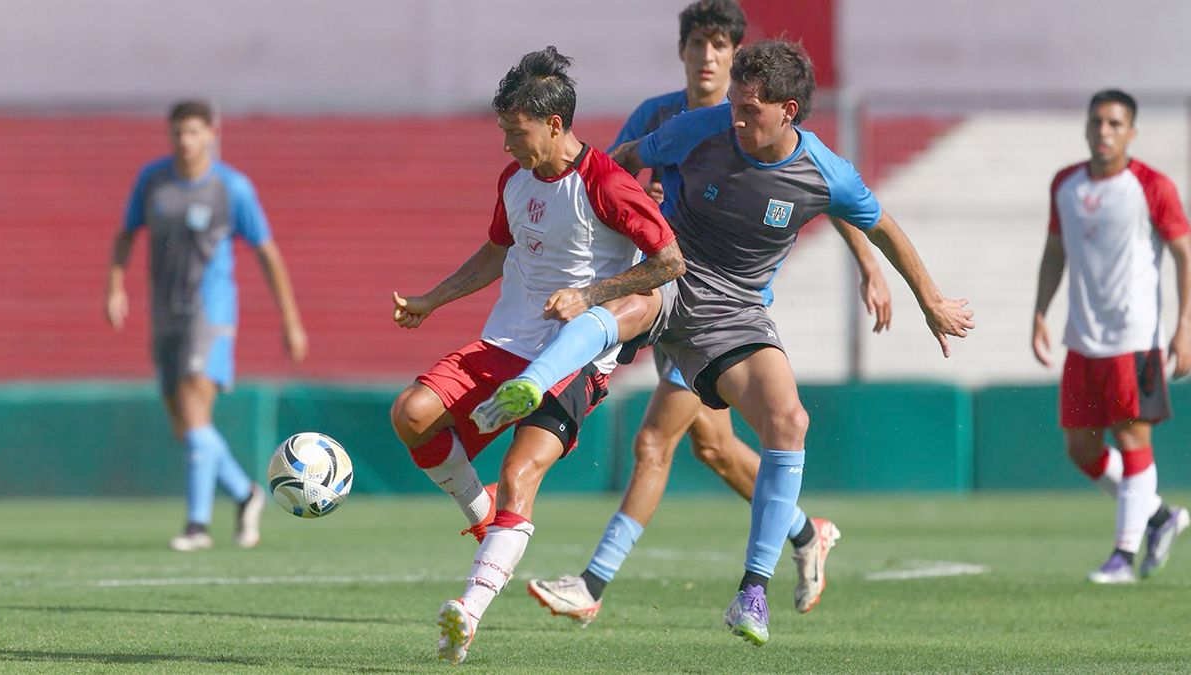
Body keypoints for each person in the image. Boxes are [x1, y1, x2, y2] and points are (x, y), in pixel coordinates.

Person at [478, 39, 973, 646]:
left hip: (733, 313)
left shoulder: (825, 173)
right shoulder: (700, 126)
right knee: (642, 356)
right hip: (669, 274)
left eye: (749, 110)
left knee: (785, 423)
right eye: (733, 104)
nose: (734, 118)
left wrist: (930, 300)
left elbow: (881, 225)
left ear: (789, 112)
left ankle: (752, 591)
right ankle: (529, 388)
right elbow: (623, 160)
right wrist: (636, 206)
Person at [525, 0, 892, 626]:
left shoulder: (755, 121)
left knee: (653, 442)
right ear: (683, 51)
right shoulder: (661, 115)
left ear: (737, 56)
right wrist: (639, 198)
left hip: (716, 312)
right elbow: (612, 173)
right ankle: (807, 533)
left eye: (720, 45)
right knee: (715, 449)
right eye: (698, 43)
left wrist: (870, 264)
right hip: (663, 284)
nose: (707, 56)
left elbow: (828, 191)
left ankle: (592, 584)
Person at [387, 47, 684, 665]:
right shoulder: (514, 180)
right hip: (506, 341)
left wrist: (590, 296)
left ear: (553, 124)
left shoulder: (607, 183)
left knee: (521, 473)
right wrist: (432, 300)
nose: (506, 145)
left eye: (514, 132)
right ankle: (482, 515)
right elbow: (498, 252)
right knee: (411, 415)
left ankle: (467, 612)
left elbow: (669, 262)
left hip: (577, 361)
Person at [104, 100, 308, 551]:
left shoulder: (231, 188)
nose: (185, 141)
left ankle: (197, 525)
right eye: (178, 133)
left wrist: (290, 321)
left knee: (196, 409)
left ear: (212, 134)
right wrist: (115, 287)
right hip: (165, 314)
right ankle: (245, 493)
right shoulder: (153, 180)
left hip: (210, 312)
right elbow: (126, 233)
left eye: (194, 132)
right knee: (185, 426)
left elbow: (266, 252)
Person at [1032, 89, 1191, 584]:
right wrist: (1040, 312)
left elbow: (1185, 253)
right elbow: (1054, 251)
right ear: (1086, 127)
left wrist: (1185, 326)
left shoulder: (1152, 186)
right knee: (1080, 449)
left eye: (1115, 123)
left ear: (1131, 132)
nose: (1104, 131)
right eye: (1097, 121)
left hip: (1134, 337)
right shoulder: (1066, 184)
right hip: (1082, 338)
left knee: (1131, 436)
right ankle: (1159, 515)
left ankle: (1123, 555)